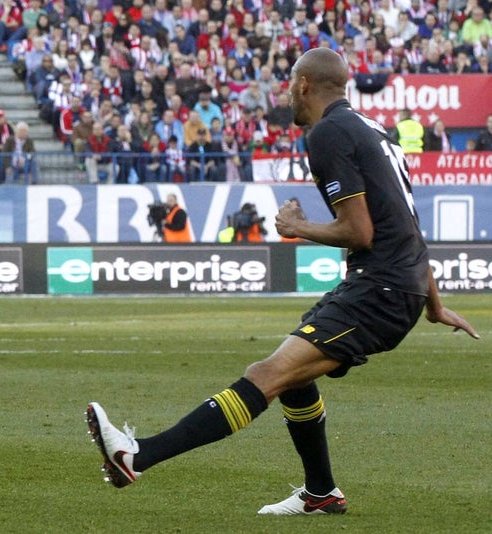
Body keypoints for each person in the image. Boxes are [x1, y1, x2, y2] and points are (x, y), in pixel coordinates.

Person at [85, 47, 478, 516]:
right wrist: (432, 304)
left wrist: (297, 226)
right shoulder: (375, 130)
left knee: (265, 376)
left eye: (290, 84)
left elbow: (360, 232)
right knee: (293, 378)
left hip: (381, 290)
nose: (287, 94)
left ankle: (136, 457)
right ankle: (321, 493)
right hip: (393, 286)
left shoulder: (328, 132)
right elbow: (407, 223)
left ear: (304, 85)